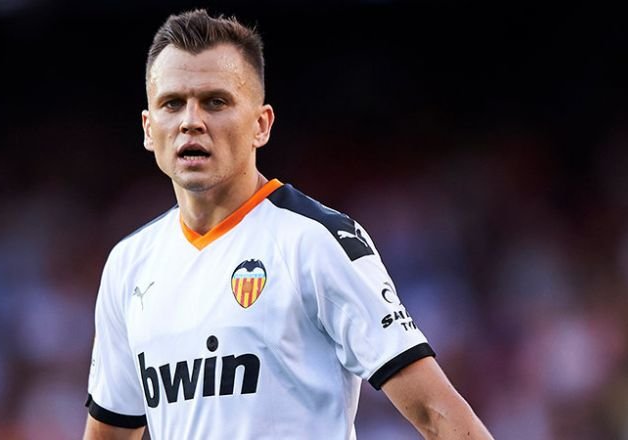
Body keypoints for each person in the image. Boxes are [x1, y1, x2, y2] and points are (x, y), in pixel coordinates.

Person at [83, 8, 494, 440]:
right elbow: (109, 433)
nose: (191, 121)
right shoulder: (129, 265)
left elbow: (437, 413)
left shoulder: (314, 242)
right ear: (149, 129)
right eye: (172, 104)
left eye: (215, 102)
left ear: (261, 125)